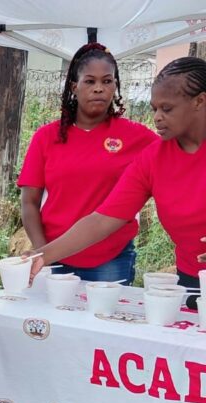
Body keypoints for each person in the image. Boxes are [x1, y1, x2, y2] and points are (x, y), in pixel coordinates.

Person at [29, 57, 206, 308]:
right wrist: (42, 255)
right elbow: (103, 219)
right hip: (192, 277)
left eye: (167, 109)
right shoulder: (153, 159)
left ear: (200, 101)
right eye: (155, 108)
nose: (156, 117)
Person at [19, 43, 158, 283]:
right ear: (74, 86)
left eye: (107, 81)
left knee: (103, 320)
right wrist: (44, 253)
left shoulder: (137, 137)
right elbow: (29, 203)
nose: (99, 89)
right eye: (90, 81)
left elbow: (179, 160)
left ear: (115, 86)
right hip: (54, 255)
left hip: (110, 259)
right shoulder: (47, 137)